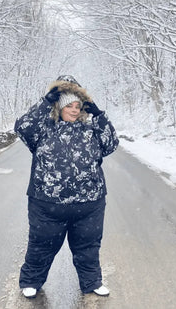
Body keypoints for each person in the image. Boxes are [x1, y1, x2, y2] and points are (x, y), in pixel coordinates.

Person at [14, 75, 119, 298]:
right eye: (68, 105)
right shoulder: (43, 130)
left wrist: (99, 115)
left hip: (89, 203)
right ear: (57, 107)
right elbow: (22, 127)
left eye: (77, 106)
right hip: (47, 204)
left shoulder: (90, 130)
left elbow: (111, 144)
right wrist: (44, 103)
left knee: (88, 246)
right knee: (41, 244)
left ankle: (92, 282)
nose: (73, 110)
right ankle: (31, 281)